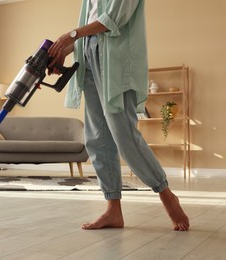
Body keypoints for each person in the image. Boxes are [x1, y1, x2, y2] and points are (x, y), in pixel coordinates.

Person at [48, 0, 189, 231]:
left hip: (115, 62)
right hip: (88, 58)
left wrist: (70, 35)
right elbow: (88, 28)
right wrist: (63, 51)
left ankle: (166, 194)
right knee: (97, 137)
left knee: (124, 135)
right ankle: (113, 208)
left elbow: (112, 20)